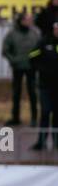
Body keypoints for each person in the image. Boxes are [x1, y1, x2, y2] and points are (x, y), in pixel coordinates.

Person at [3, 12, 40, 126]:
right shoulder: (12, 34)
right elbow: (5, 50)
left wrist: (33, 58)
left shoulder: (35, 33)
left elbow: (39, 48)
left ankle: (34, 118)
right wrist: (14, 60)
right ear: (22, 21)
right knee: (16, 93)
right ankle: (15, 118)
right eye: (28, 19)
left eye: (30, 19)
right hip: (17, 68)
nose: (30, 21)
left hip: (31, 68)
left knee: (32, 93)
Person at [30, 18, 58, 150]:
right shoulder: (44, 41)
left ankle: (56, 141)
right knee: (46, 112)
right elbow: (32, 55)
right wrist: (40, 69)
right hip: (45, 85)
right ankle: (41, 141)